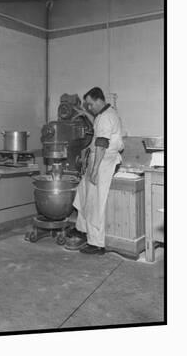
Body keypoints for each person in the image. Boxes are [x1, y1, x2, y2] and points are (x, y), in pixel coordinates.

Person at [66, 87, 124, 255]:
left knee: (95, 203)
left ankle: (97, 244)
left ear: (99, 100)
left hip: (103, 162)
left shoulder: (106, 117)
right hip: (98, 159)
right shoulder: (104, 114)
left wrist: (95, 170)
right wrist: (84, 114)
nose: (89, 107)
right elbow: (98, 126)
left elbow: (101, 145)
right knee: (82, 193)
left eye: (90, 104)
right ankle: (82, 229)